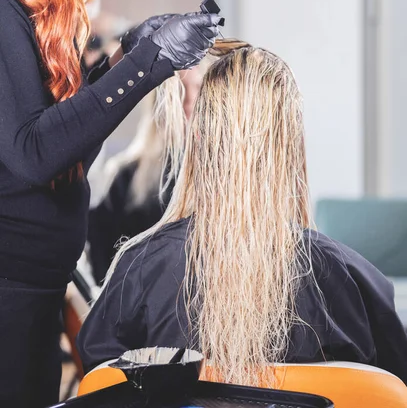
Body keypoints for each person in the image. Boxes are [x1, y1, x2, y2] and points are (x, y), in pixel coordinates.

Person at [0, 0, 222, 408]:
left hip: (34, 296)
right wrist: (145, 65)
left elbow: (66, 146)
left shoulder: (30, 20)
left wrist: (126, 53)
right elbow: (33, 152)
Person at [77, 41, 407, 387]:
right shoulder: (353, 281)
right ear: (291, 144)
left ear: (199, 139)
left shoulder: (141, 270)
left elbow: (100, 383)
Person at [88, 66, 204, 285]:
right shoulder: (125, 177)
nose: (189, 104)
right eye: (179, 91)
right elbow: (103, 268)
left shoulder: (223, 178)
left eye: (197, 89)